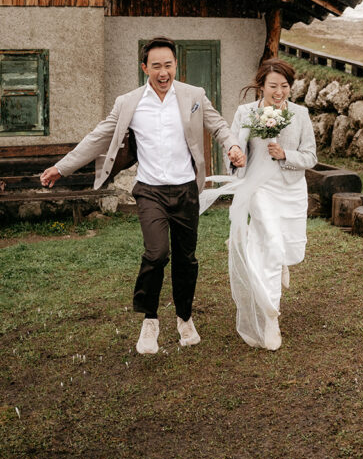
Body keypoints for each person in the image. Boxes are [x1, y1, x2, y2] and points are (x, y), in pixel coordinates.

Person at [39, 37, 246, 356]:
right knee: (156, 253)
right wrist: (61, 168)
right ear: (144, 68)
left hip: (186, 190)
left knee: (186, 259)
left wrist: (231, 146)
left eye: (168, 65)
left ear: (175, 65)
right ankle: (150, 320)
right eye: (156, 66)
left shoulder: (194, 96)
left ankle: (184, 318)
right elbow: (97, 138)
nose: (163, 72)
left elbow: (219, 126)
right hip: (149, 191)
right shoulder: (129, 103)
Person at [200, 59, 316, 351]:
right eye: (273, 86)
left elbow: (310, 156)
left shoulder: (300, 114)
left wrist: (285, 154)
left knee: (287, 248)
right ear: (261, 86)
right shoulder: (246, 113)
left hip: (290, 190)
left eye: (284, 86)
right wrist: (235, 158)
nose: (279, 92)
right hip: (259, 189)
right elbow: (234, 149)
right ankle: (270, 317)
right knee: (273, 246)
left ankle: (274, 257)